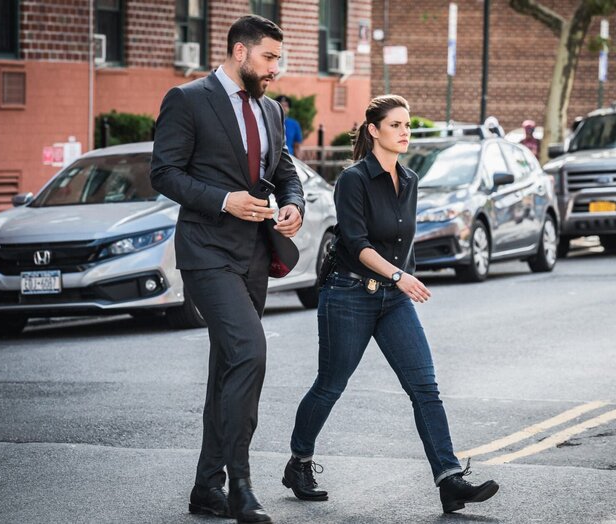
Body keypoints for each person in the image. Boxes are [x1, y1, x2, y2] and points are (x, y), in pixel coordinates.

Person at [282, 95, 499, 514]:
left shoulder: (411, 179)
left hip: (393, 299)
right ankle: (299, 462)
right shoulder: (353, 180)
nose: (405, 132)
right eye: (396, 125)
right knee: (331, 384)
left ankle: (449, 480)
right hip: (348, 293)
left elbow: (403, 241)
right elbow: (356, 242)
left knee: (425, 388)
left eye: (408, 125)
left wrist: (400, 280)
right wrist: (400, 275)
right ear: (374, 130)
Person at [150, 15, 305, 524]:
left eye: (278, 59)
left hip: (255, 255)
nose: (275, 68)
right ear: (240, 52)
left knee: (228, 369)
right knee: (250, 351)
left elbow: (284, 170)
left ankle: (205, 486)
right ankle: (240, 486)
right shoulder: (188, 100)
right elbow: (164, 173)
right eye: (269, 57)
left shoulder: (270, 109)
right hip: (206, 251)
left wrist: (293, 204)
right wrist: (223, 201)